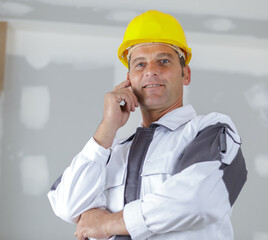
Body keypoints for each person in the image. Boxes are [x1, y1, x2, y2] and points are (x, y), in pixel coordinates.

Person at [48, 10, 247, 240]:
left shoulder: (209, 130)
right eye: (140, 64)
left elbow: (199, 200)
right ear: (129, 81)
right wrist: (106, 130)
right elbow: (65, 205)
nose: (151, 70)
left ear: (186, 74)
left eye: (164, 61)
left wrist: (108, 224)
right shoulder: (111, 151)